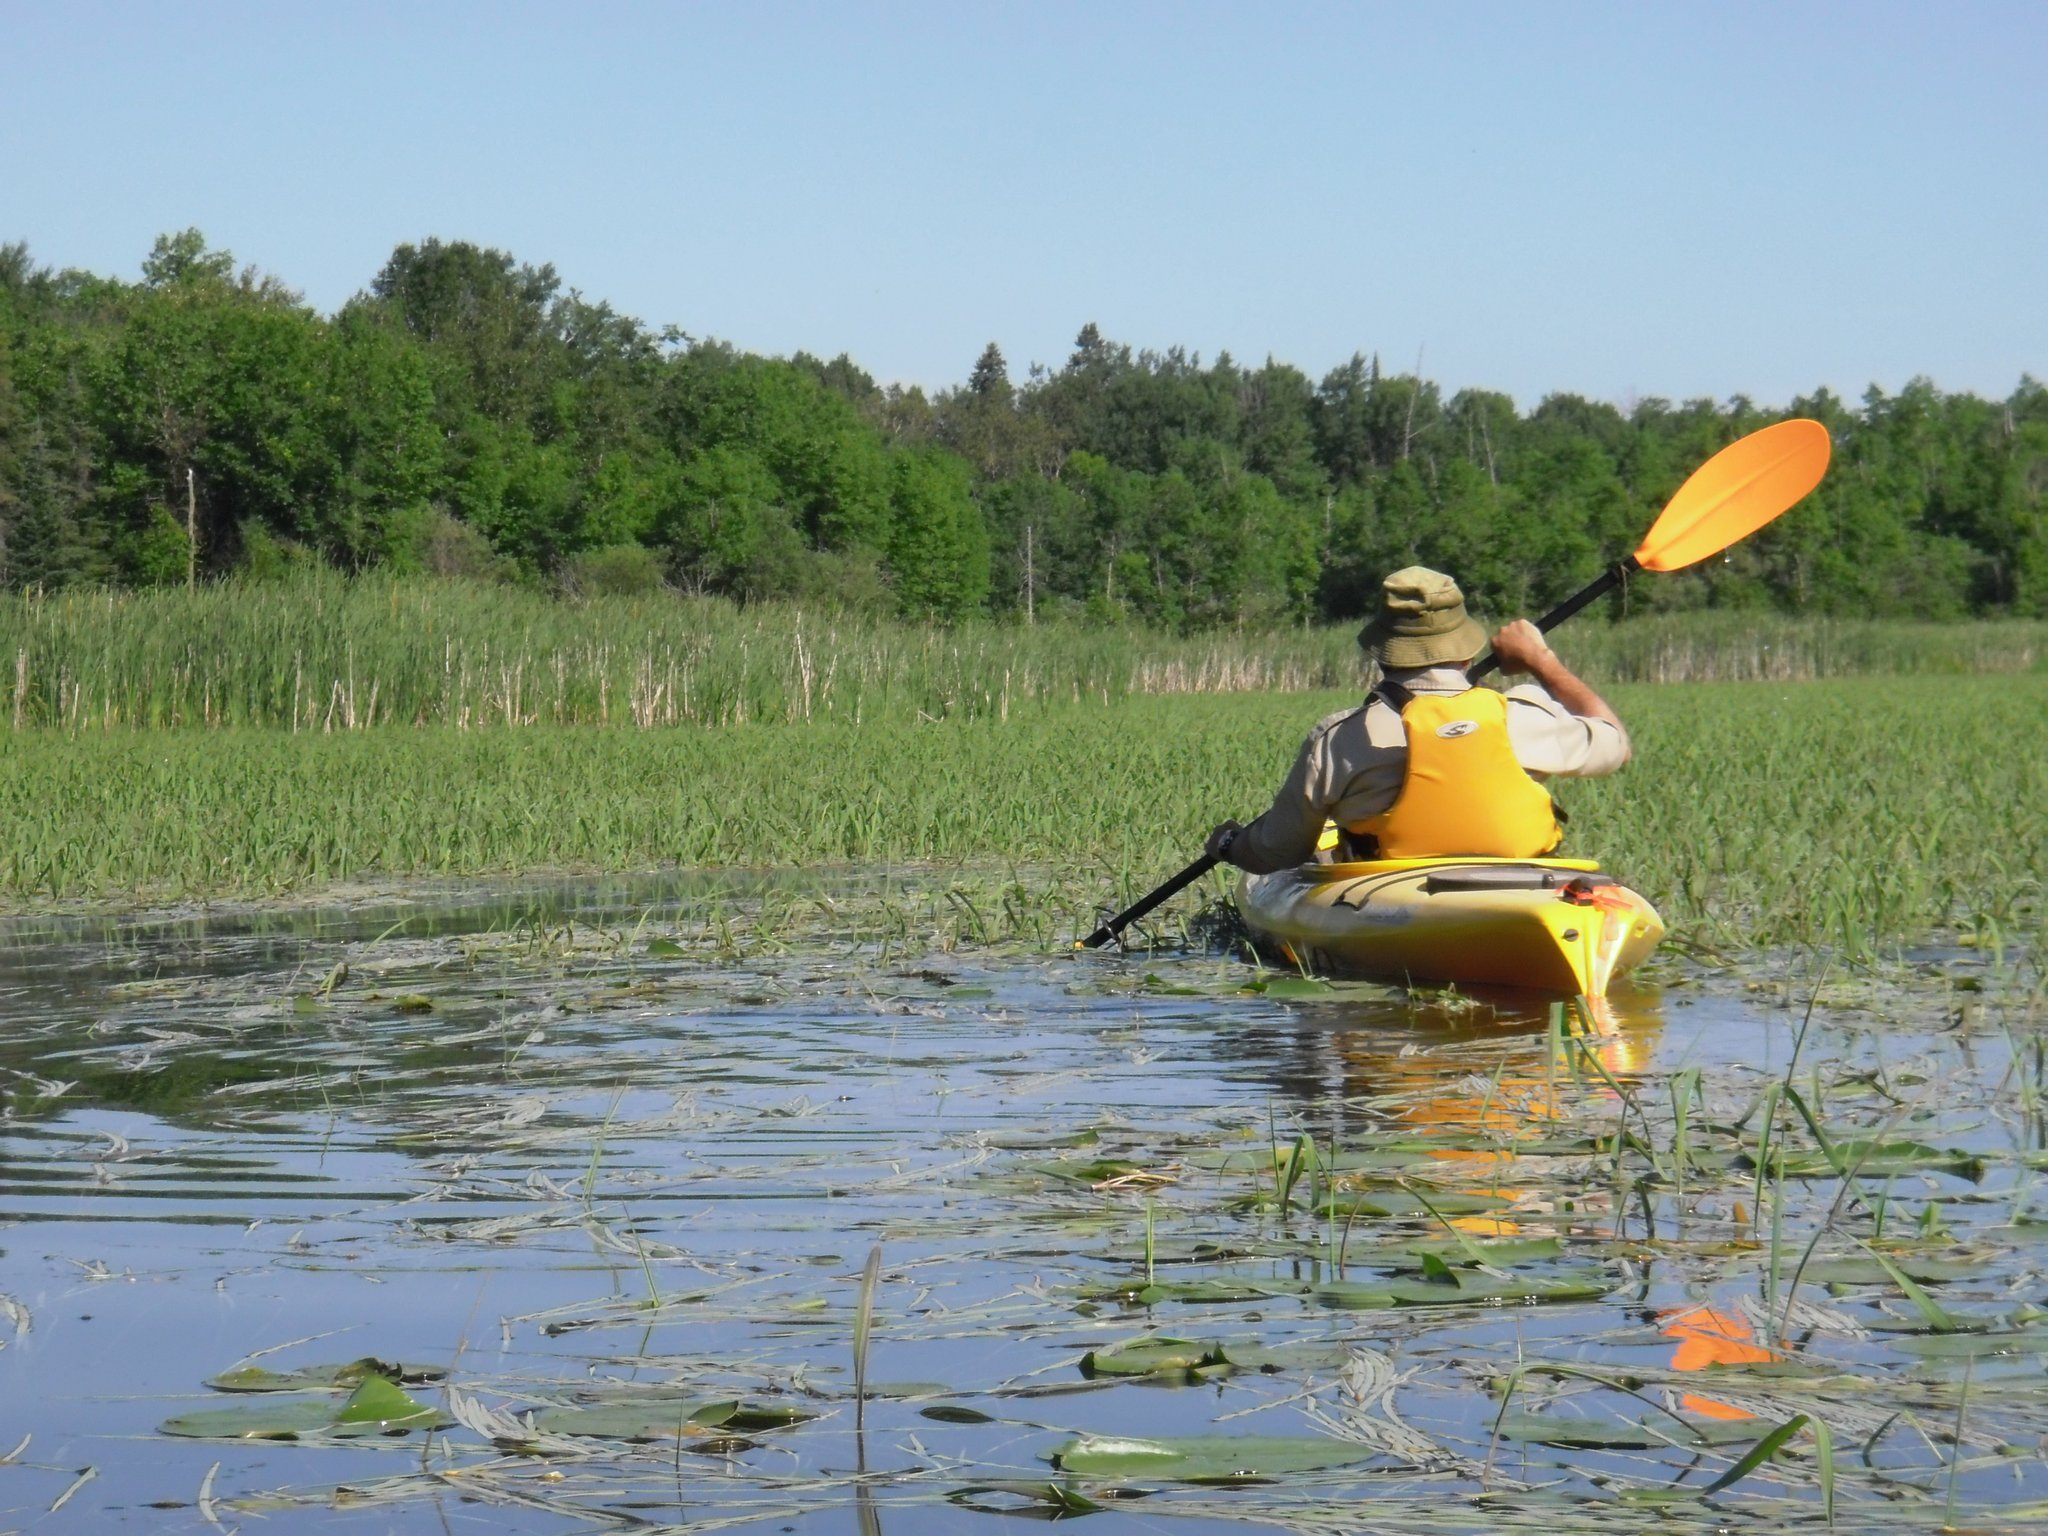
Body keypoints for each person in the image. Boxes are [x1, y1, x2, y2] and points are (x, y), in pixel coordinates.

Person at [1205, 566, 1630, 873]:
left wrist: (1230, 844)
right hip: (1519, 884)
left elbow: (1278, 852)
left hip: (1390, 890)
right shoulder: (1522, 716)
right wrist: (1542, 661)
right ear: (1466, 649)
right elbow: (1613, 742)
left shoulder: (1340, 738)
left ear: (1382, 651)